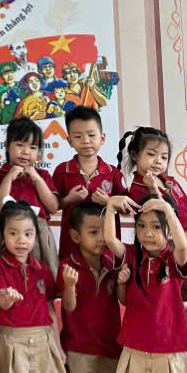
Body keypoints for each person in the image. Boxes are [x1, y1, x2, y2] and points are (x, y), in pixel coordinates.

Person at [103, 193, 187, 373]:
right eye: (141, 225)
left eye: (156, 227)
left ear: (168, 229)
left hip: (169, 342)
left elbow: (182, 245)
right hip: (139, 340)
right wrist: (110, 206)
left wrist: (168, 211)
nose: (147, 233)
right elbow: (110, 240)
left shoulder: (173, 258)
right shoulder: (132, 255)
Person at [0, 201, 71, 373]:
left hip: (42, 338)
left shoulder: (43, 269)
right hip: (13, 339)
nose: (21, 240)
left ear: (35, 236)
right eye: (13, 233)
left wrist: (57, 346)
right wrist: (8, 297)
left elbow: (50, 308)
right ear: (2, 235)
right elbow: (2, 303)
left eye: (28, 234)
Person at [119, 126, 187, 327]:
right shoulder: (137, 190)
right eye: (151, 155)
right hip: (172, 247)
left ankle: (169, 336)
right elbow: (163, 217)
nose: (158, 161)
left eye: (164, 157)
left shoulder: (169, 181)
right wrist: (153, 189)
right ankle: (170, 336)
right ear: (135, 155)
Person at [58, 202, 121, 373]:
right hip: (80, 348)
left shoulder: (114, 264)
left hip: (111, 347)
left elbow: (124, 300)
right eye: (93, 232)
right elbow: (68, 307)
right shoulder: (68, 266)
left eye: (105, 231)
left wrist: (123, 283)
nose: (101, 238)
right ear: (76, 236)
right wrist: (69, 286)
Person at [52, 105, 134, 261]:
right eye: (78, 136)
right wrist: (69, 199)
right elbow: (51, 205)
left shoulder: (113, 173)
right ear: (69, 141)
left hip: (107, 248)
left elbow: (128, 210)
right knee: (72, 274)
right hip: (72, 247)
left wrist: (109, 202)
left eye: (91, 135)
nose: (86, 141)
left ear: (102, 138)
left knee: (108, 274)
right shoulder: (62, 171)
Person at [0, 117, 59, 276]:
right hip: (6, 232)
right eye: (20, 145)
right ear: (7, 146)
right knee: (7, 279)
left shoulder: (42, 175)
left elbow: (53, 207)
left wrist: (37, 180)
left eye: (33, 147)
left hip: (38, 233)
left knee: (40, 280)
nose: (26, 152)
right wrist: (9, 178)